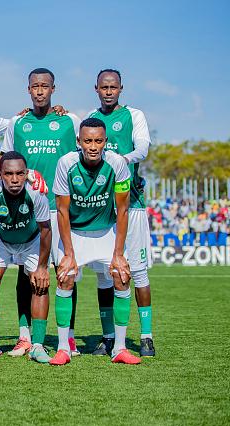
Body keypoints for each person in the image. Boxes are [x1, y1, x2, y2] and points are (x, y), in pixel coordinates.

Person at [0, 67, 81, 357]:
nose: (39, 91)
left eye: (44, 86)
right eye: (35, 86)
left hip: (61, 210)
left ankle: (68, 337)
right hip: (27, 211)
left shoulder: (69, 121)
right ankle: (25, 336)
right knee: (26, 273)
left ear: (53, 89)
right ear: (28, 89)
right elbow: (5, 161)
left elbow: (84, 156)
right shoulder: (18, 123)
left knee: (65, 272)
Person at [51, 117, 140, 366]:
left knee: (122, 276)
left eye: (98, 141)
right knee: (65, 277)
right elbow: (62, 211)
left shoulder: (117, 164)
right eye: (88, 141)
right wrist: (69, 253)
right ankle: (63, 348)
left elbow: (123, 210)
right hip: (75, 232)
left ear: (105, 142)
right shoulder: (65, 163)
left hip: (105, 231)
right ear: (78, 141)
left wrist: (118, 253)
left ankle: (119, 348)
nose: (93, 146)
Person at [88, 69, 155, 357]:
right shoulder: (91, 118)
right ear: (96, 89)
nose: (108, 91)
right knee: (105, 275)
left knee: (138, 273)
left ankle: (146, 336)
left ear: (120, 89)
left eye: (113, 87)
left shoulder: (133, 116)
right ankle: (108, 336)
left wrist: (119, 160)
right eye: (104, 87)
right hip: (102, 209)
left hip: (132, 204)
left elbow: (143, 149)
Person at [0, 151, 52, 363]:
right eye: (9, 174)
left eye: (20, 173)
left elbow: (46, 229)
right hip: (1, 240)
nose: (15, 179)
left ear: (26, 173)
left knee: (40, 284)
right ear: (0, 174)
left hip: (31, 241)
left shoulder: (36, 192)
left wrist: (42, 267)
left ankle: (37, 346)